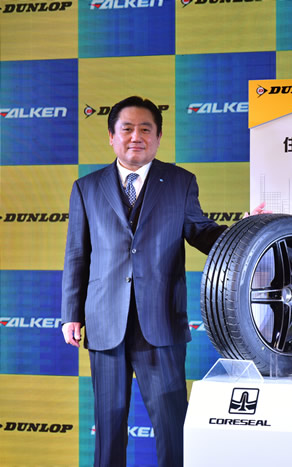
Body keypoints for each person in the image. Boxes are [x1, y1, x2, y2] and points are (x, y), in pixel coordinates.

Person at [60, 96, 266, 467]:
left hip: (161, 322)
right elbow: (78, 255)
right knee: (108, 428)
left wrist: (243, 231)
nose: (135, 136)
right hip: (105, 323)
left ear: (158, 136)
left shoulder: (179, 182)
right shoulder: (86, 188)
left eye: (145, 129)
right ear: (111, 136)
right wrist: (71, 315)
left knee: (172, 427)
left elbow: (202, 232)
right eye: (127, 128)